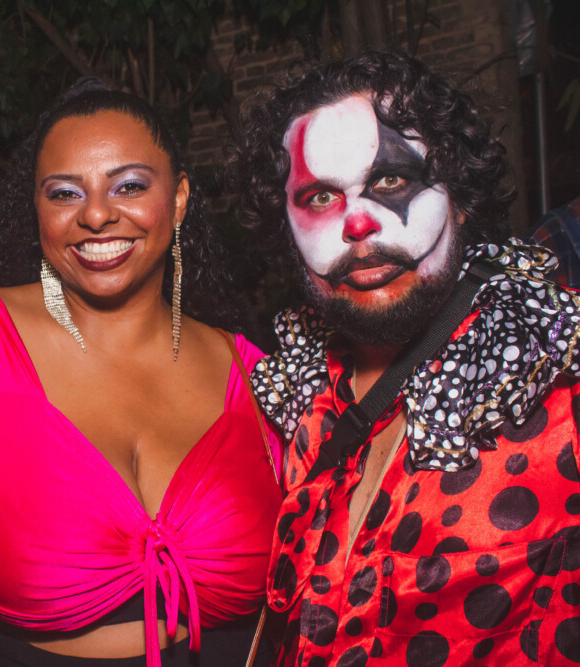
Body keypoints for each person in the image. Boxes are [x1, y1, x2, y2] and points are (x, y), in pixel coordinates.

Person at [0, 79, 283, 667]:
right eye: (65, 193)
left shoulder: (250, 373)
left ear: (179, 199)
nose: (95, 214)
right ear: (37, 210)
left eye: (130, 186)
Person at [230, 50, 580, 665]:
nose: (358, 223)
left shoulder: (554, 374)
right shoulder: (298, 397)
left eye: (390, 181)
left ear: (460, 197)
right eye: (319, 197)